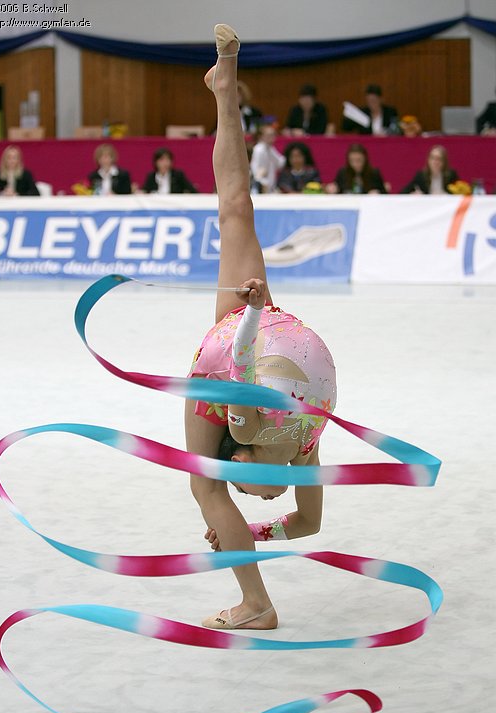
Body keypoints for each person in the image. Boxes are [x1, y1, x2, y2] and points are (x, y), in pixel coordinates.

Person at [186, 24, 337, 632]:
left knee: (236, 207)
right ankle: (257, 604)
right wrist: (248, 311)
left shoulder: (303, 448)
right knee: (204, 487)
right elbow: (241, 364)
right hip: (246, 341)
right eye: (256, 490)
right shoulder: (249, 429)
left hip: (285, 349)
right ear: (243, 459)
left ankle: (225, 84)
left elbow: (308, 524)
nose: (263, 494)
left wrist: (249, 531)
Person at [249, 123, 285, 193]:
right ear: (261, 136)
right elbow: (256, 169)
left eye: (273, 135)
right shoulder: (259, 149)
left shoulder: (271, 149)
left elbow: (281, 164)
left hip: (271, 185)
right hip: (262, 187)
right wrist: (263, 183)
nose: (272, 137)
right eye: (269, 135)